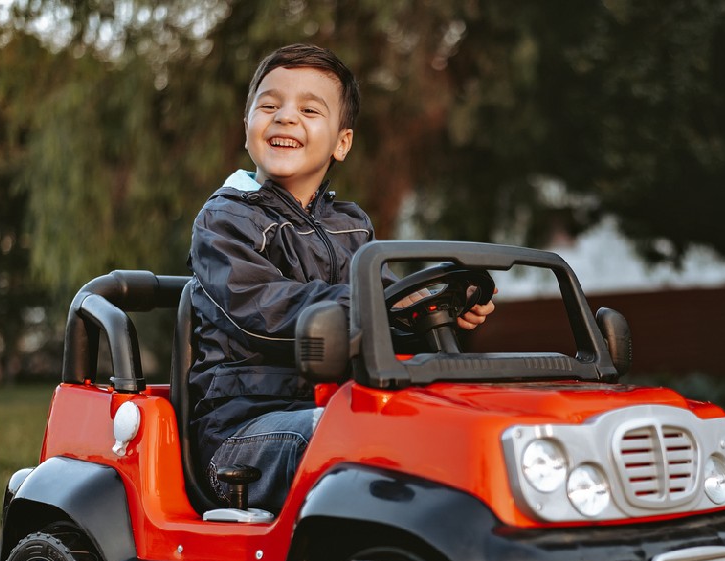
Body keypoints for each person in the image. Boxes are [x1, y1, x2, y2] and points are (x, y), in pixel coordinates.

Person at [187, 44, 494, 514]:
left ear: (341, 143)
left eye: (309, 109)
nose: (285, 118)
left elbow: (387, 311)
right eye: (269, 106)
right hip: (243, 432)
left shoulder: (352, 226)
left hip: (338, 407)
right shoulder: (224, 220)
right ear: (246, 126)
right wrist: (371, 302)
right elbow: (263, 311)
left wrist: (438, 308)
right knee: (368, 437)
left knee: (454, 424)